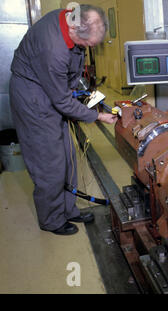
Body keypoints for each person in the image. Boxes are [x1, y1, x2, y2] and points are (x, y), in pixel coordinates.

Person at [9, 5, 117, 235]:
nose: (89, 48)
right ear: (75, 31)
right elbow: (61, 101)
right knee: (49, 162)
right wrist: (96, 116)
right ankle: (51, 219)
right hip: (33, 97)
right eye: (87, 45)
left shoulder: (70, 17)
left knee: (67, 154)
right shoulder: (53, 49)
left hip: (49, 87)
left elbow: (68, 78)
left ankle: (68, 209)